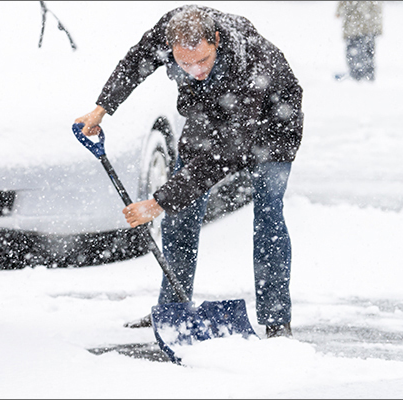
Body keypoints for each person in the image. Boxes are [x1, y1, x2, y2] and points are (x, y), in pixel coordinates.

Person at [74, 5, 303, 338]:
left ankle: (276, 319)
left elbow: (221, 157)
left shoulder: (250, 64)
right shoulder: (170, 30)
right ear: (171, 50)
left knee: (268, 214)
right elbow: (136, 62)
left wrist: (157, 202)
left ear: (217, 41)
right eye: (185, 63)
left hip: (273, 124)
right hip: (210, 113)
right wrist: (102, 108)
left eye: (203, 61)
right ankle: (173, 309)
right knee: (180, 212)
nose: (195, 70)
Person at [336, 1, 383, 81]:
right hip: (363, 27)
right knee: (365, 53)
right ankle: (362, 76)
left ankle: (359, 76)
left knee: (359, 53)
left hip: (359, 28)